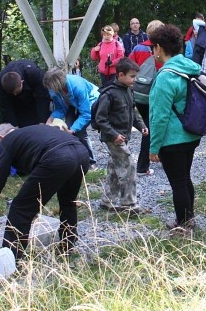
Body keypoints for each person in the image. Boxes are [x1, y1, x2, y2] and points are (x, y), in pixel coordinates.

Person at [0, 123, 90, 259]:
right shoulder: (30, 132)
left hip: (59, 157)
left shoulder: (6, 141)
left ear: (0, 137)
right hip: (82, 153)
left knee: (20, 209)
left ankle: (10, 260)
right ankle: (68, 245)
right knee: (68, 202)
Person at [148, 24, 202, 234]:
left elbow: (159, 117)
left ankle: (183, 223)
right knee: (185, 177)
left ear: (159, 48)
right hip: (191, 133)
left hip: (173, 139)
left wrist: (154, 148)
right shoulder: (189, 67)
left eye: (154, 47)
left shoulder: (165, 76)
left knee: (178, 182)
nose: (154, 51)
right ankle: (190, 218)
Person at [94, 58, 148, 213]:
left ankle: (107, 201)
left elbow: (133, 111)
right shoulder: (109, 94)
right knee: (129, 166)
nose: (135, 80)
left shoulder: (128, 90)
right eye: (132, 76)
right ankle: (129, 204)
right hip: (114, 138)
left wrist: (141, 126)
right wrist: (113, 135)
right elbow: (101, 119)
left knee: (114, 167)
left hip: (124, 136)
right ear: (121, 75)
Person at [43, 68, 100, 166]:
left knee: (80, 132)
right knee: (67, 129)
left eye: (51, 87)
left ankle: (90, 161)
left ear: (58, 84)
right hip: (71, 102)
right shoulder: (53, 89)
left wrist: (73, 129)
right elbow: (60, 108)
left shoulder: (78, 86)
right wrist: (51, 119)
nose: (50, 90)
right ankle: (74, 158)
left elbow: (86, 114)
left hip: (90, 101)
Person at [129, 19, 164, 176]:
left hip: (139, 94)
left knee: (149, 125)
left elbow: (129, 65)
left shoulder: (138, 48)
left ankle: (160, 156)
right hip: (154, 94)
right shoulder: (161, 50)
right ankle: (142, 166)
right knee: (151, 128)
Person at [0, 60, 51, 128]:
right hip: (15, 105)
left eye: (16, 92)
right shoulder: (1, 81)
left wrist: (42, 123)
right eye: (12, 93)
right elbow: (5, 107)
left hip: (33, 99)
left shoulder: (33, 73)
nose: (15, 94)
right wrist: (14, 128)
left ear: (22, 82)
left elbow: (43, 99)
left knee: (37, 126)